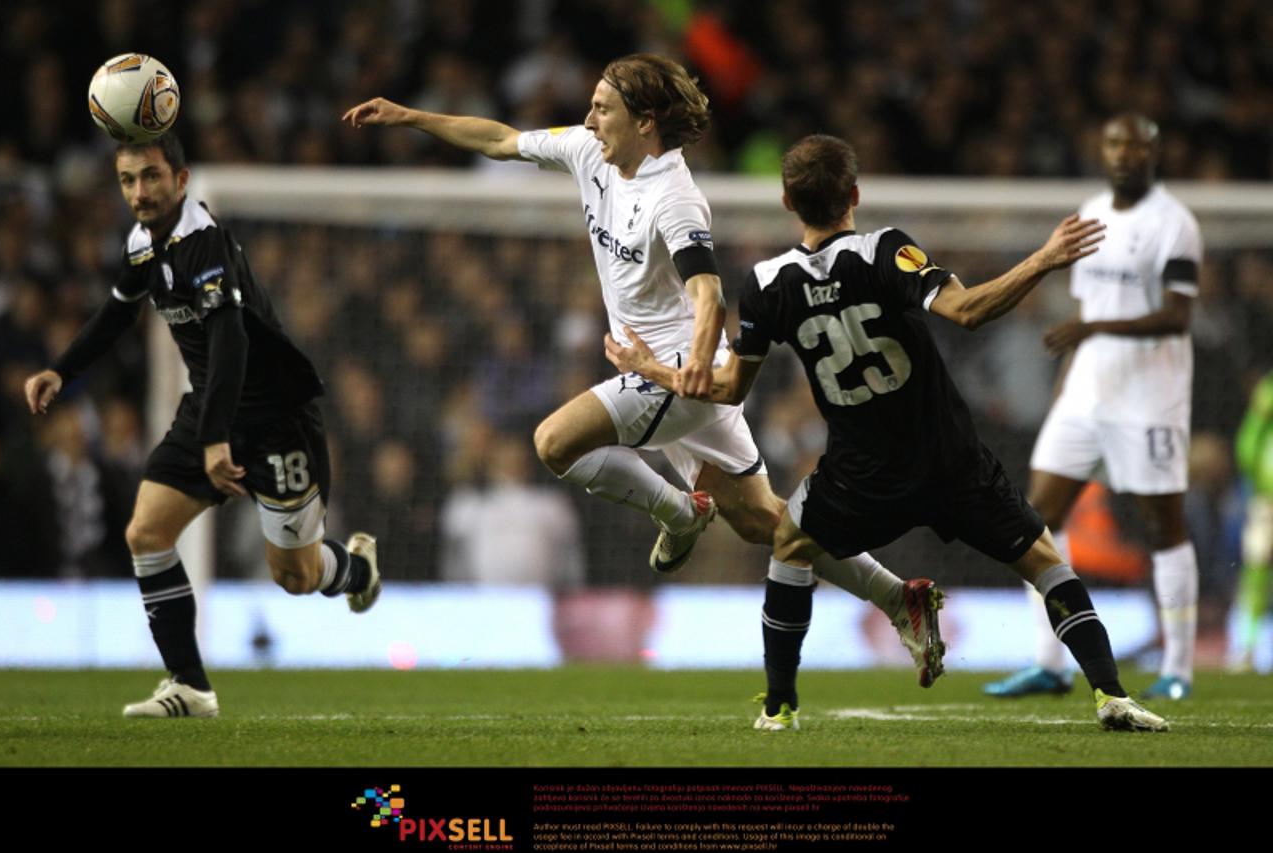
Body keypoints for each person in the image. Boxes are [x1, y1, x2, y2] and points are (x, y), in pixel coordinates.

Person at [343, 54, 945, 685]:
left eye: (604, 108)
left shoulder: (675, 197)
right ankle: (900, 599)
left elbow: (708, 292)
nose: (588, 117)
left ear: (646, 122)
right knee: (763, 521)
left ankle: (680, 513)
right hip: (669, 376)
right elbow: (497, 139)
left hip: (677, 372)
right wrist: (410, 116)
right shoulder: (587, 151)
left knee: (553, 443)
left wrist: (679, 370)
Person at [607, 134, 1168, 732]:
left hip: (860, 474)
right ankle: (1112, 695)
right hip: (950, 459)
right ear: (854, 194)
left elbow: (725, 390)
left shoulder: (768, 282)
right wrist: (1043, 259)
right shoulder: (886, 251)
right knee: (1045, 560)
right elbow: (969, 311)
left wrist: (652, 369)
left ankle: (778, 709)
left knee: (791, 547)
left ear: (787, 201)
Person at [23, 132, 381, 718]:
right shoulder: (143, 244)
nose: (139, 192)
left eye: (152, 177)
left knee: (295, 576)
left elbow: (231, 339)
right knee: (146, 533)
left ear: (181, 180)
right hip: (210, 406)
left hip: (274, 420)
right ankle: (189, 685)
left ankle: (358, 568)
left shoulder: (202, 243)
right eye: (127, 180)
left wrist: (217, 435)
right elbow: (117, 313)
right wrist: (62, 372)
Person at [984, 114, 1203, 701]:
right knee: (1033, 521)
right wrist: (1063, 397)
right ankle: (1050, 663)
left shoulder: (1174, 225)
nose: (1125, 154)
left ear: (1154, 154)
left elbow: (1178, 317)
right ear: (1101, 151)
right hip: (1084, 397)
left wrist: (1093, 325)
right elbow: (1084, 325)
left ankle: (1179, 669)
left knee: (1165, 528)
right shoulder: (1089, 216)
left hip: (1150, 402)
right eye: (1115, 144)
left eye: (1137, 145)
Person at [1232, 370, 1273, 670]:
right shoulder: (1269, 389)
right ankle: (1245, 647)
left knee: (1256, 573)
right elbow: (1247, 444)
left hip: (1264, 495)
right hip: (1266, 501)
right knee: (1256, 572)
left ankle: (1245, 648)